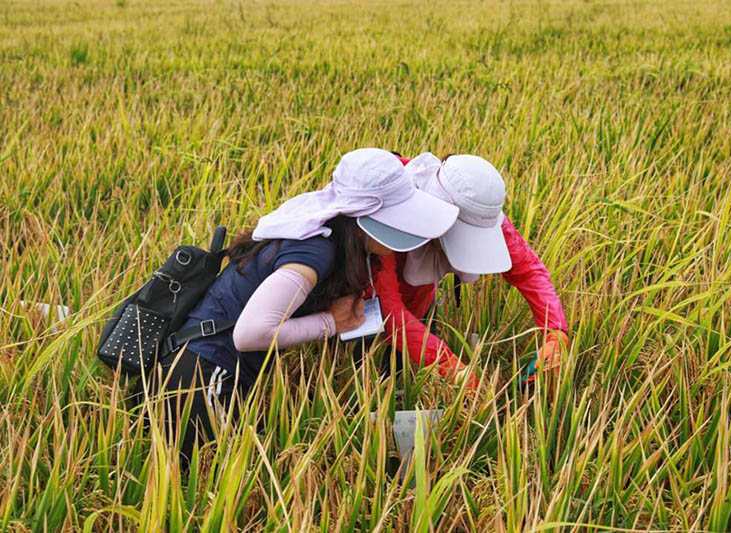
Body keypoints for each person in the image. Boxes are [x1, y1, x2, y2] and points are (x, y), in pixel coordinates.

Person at [153, 148, 459, 459]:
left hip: (208, 372)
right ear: (368, 219)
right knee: (238, 482)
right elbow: (250, 334)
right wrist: (331, 323)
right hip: (201, 379)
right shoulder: (314, 253)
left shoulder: (326, 235)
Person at [370, 152, 569, 390]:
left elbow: (529, 272)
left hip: (419, 303)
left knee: (407, 380)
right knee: (370, 381)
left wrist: (556, 332)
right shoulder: (388, 215)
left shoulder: (481, 212)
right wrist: (448, 363)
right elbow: (388, 307)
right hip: (364, 308)